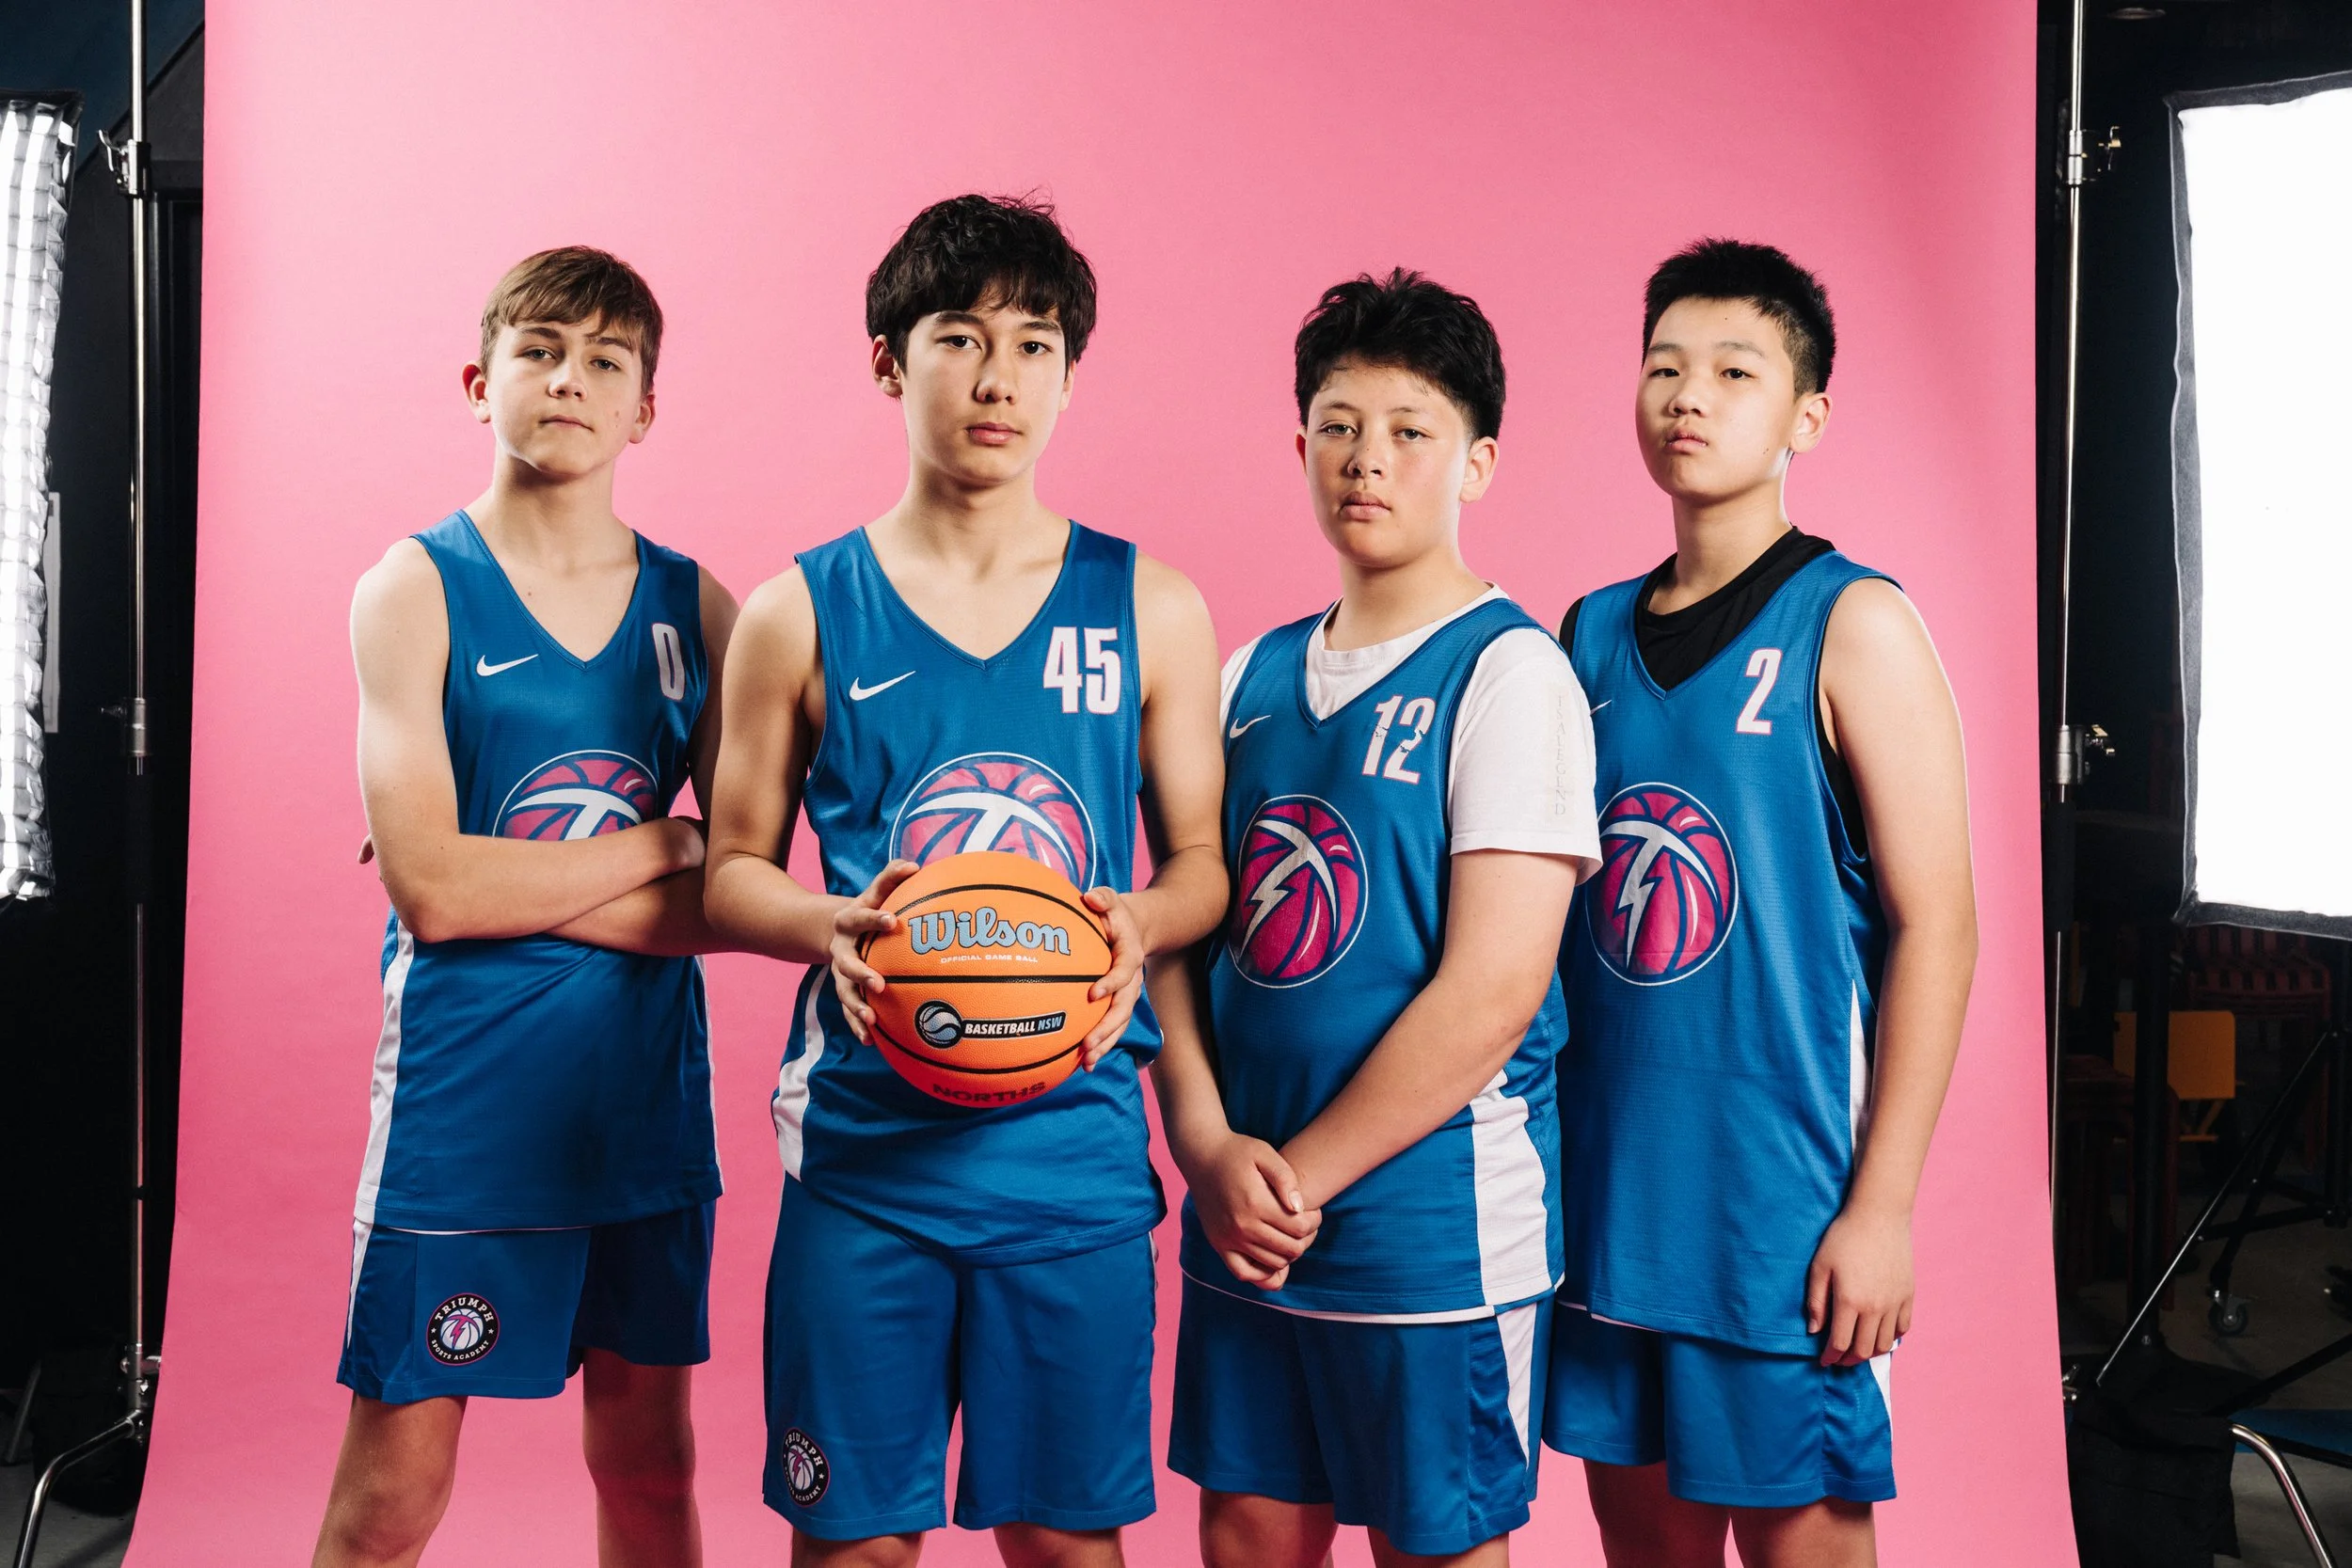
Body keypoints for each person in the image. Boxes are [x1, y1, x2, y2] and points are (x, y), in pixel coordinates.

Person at [701, 193, 1227, 1568]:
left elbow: (1203, 866)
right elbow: (731, 871)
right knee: (855, 1548)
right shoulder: (799, 610)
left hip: (1074, 1160)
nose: (1000, 379)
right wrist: (828, 922)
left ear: (1069, 376)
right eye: (961, 338)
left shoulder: (1152, 605)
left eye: (1035, 345)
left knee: (1064, 1546)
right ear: (890, 361)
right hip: (865, 1159)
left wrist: (1139, 922)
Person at [1152, 269, 1599, 1568]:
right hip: (1248, 1215)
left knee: (1436, 1546)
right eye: (1340, 426)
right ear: (1300, 445)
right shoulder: (1248, 673)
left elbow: (1492, 993)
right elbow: (1179, 930)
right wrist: (1205, 1145)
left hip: (1429, 1230)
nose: (1369, 459)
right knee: (1245, 1533)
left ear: (1478, 463)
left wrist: (1293, 1181)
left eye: (1411, 430)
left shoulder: (1511, 675)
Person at [1541, 239, 1978, 1568]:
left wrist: (1883, 1208)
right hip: (1609, 1198)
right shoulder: (1583, 633)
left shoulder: (1857, 623)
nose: (1689, 394)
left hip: (1781, 1209)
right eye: (1664, 366)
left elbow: (1941, 926)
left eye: (1735, 371)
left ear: (1807, 416)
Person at [316, 246, 739, 1568]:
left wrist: (516, 879)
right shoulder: (413, 587)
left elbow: (739, 891)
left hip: (639, 1101)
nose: (570, 380)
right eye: (541, 351)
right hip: (464, 1100)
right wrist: (663, 840)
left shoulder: (696, 606)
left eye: (606, 361)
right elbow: (437, 894)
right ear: (479, 379)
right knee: (392, 1499)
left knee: (652, 1470)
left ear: (644, 409)